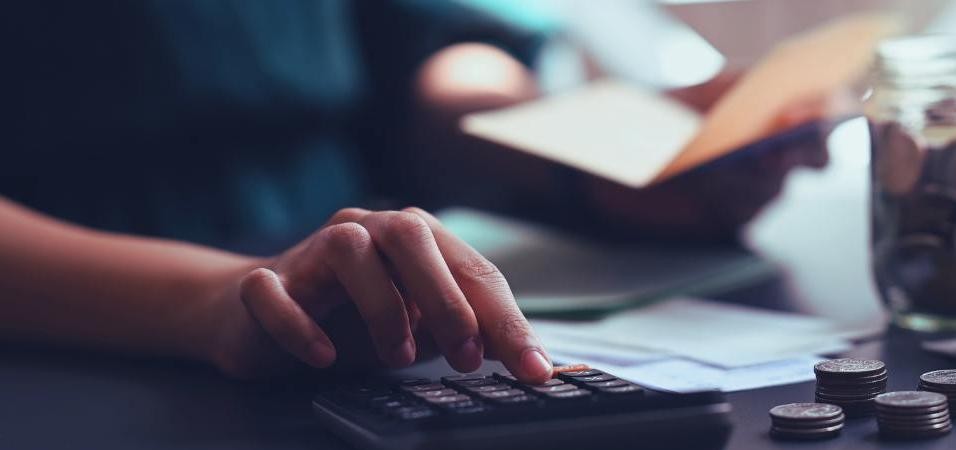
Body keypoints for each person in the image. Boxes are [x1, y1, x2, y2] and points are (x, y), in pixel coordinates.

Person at [0, 1, 825, 383]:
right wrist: (211, 300)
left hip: (364, 327)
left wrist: (579, 150)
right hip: (83, 363)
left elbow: (427, 52)